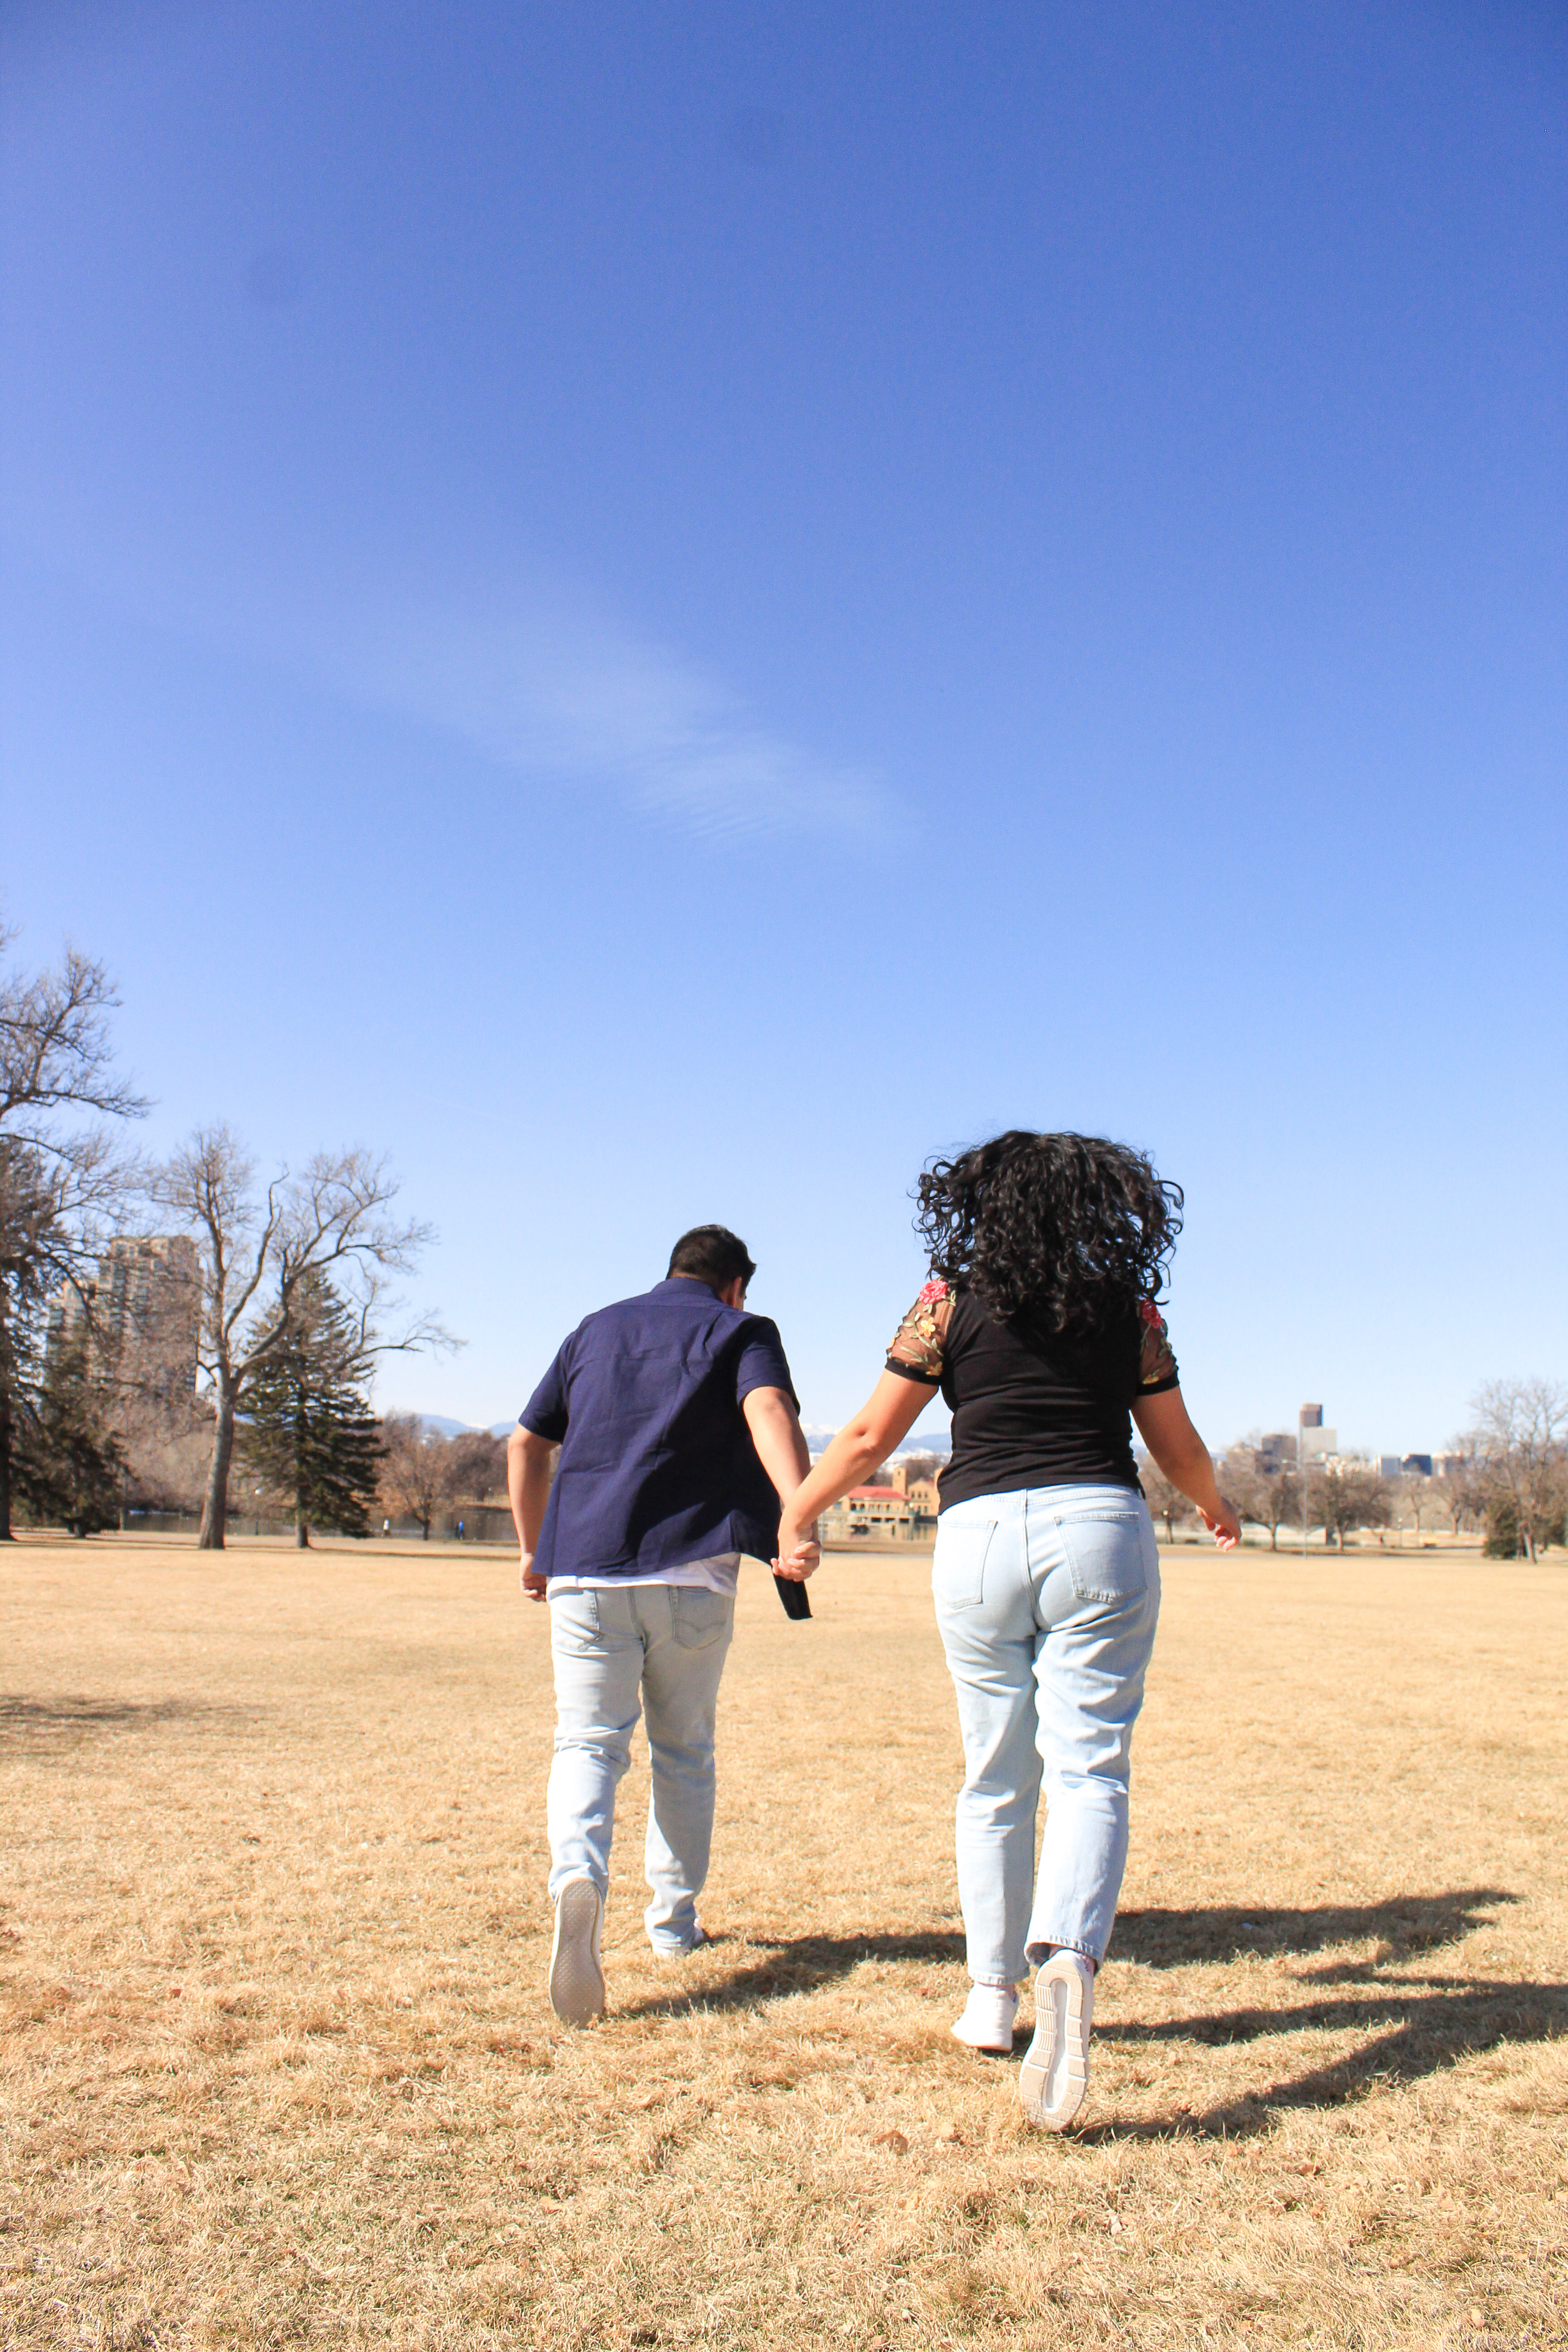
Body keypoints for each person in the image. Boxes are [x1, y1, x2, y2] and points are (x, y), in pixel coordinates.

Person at [776, 1132, 1239, 2130]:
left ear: (982, 1201)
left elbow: (868, 1437)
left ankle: (991, 1999)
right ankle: (1067, 1956)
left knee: (995, 1775)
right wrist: (1214, 1506)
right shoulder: (1129, 1305)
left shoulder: (948, 1296)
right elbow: (1177, 1444)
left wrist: (798, 1512)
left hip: (978, 1532)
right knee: (1091, 1769)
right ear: (1100, 1205)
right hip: (1099, 1529)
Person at [508, 1224, 819, 2026]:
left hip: (582, 1564)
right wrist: (798, 1515)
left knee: (586, 1743)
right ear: (735, 1286)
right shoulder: (741, 1330)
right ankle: (673, 1926)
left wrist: (533, 1547)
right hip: (692, 1572)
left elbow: (527, 1442)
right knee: (684, 1752)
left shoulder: (594, 1328)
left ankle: (578, 1879)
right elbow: (769, 1408)